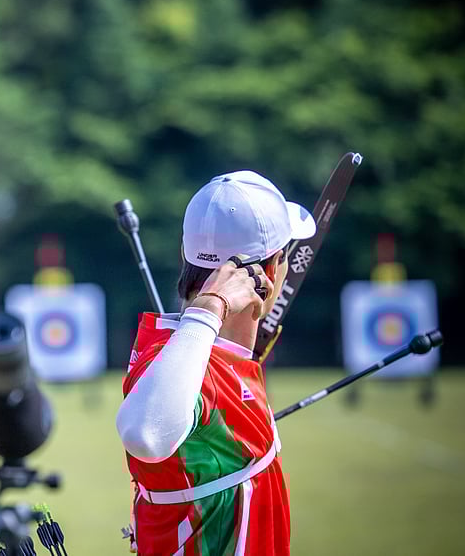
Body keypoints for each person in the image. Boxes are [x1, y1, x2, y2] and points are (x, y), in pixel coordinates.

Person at [116, 171, 316, 555]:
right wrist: (211, 310)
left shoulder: (207, 358)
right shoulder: (178, 364)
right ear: (271, 272)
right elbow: (145, 434)